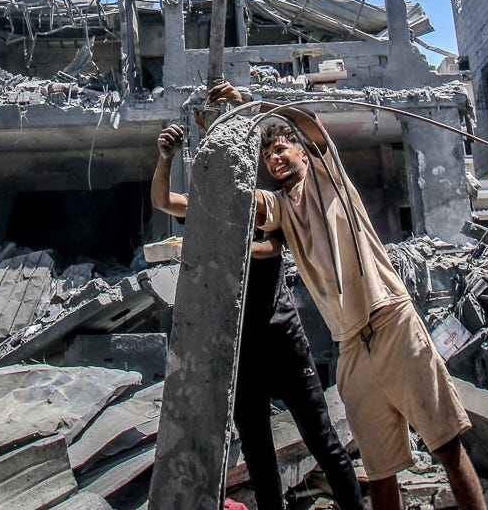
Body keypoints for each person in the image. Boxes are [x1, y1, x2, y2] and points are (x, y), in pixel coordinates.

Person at [223, 84, 485, 510]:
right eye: (267, 156)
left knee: (446, 447)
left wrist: (259, 103)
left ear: (302, 154)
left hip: (389, 320)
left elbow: (311, 125)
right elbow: (237, 201)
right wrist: (228, 123)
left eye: (281, 149)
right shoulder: (280, 208)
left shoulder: (330, 179)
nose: (274, 159)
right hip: (350, 344)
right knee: (381, 472)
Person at [151, 116, 366, 510]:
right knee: (258, 455)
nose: (271, 159)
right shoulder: (211, 212)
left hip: (282, 338)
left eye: (274, 152)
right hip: (239, 350)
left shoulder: (264, 205)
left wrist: (226, 248)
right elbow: (164, 201)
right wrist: (165, 158)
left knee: (323, 441)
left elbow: (272, 248)